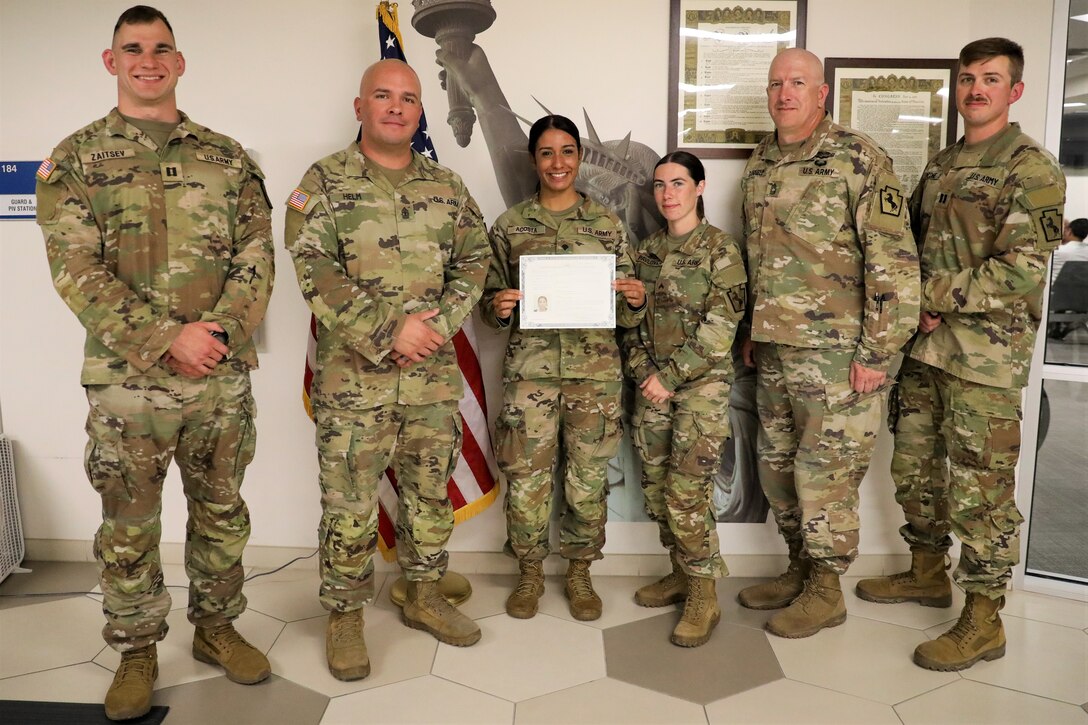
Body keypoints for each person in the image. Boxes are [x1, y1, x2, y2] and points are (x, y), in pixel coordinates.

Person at [35, 6, 274, 720]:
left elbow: (258, 258)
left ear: (180, 61)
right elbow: (75, 270)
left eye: (161, 48)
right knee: (129, 525)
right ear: (112, 62)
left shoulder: (229, 157)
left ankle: (217, 626)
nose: (148, 59)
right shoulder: (75, 159)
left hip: (219, 378)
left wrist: (220, 333)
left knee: (222, 511)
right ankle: (137, 648)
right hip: (128, 385)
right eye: (133, 48)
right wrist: (169, 337)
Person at [856, 38, 1066, 671]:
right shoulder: (945, 163)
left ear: (1015, 90)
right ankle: (926, 571)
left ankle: (984, 619)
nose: (977, 89)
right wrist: (913, 303)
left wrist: (934, 295)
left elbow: (1023, 270)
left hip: (985, 359)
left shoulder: (1031, 167)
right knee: (915, 471)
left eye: (991, 79)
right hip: (926, 348)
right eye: (969, 78)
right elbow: (914, 247)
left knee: (981, 488)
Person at [284, 58, 491, 681]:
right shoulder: (321, 183)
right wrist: (387, 330)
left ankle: (424, 595)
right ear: (360, 107)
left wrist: (436, 327)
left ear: (420, 110)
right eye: (383, 95)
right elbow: (311, 268)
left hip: (430, 380)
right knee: (348, 504)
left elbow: (476, 259)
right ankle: (345, 615)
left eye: (408, 98)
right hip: (354, 384)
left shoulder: (448, 187)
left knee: (428, 495)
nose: (397, 107)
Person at [736, 48, 920, 638]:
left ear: (822, 93)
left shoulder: (859, 158)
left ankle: (827, 589)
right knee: (777, 470)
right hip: (773, 350)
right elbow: (759, 257)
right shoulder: (762, 161)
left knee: (826, 476)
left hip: (839, 357)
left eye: (797, 83)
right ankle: (799, 568)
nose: (783, 94)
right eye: (775, 84)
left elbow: (894, 265)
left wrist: (876, 354)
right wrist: (751, 332)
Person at [481, 115, 646, 622]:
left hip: (592, 375)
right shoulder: (509, 227)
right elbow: (487, 301)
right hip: (529, 375)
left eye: (568, 151)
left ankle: (579, 570)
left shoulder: (607, 224)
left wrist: (636, 299)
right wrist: (498, 305)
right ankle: (529, 571)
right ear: (534, 159)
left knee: (586, 480)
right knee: (527, 480)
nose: (558, 163)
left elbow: (625, 307)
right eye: (548, 152)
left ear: (578, 158)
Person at [624, 152, 747, 646]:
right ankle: (680, 570)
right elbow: (628, 322)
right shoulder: (646, 251)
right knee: (656, 489)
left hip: (700, 389)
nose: (667, 193)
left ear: (700, 187)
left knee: (686, 492)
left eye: (678, 183)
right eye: (659, 185)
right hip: (652, 387)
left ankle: (703, 592)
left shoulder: (722, 250)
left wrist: (670, 377)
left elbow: (721, 328)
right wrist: (644, 373)